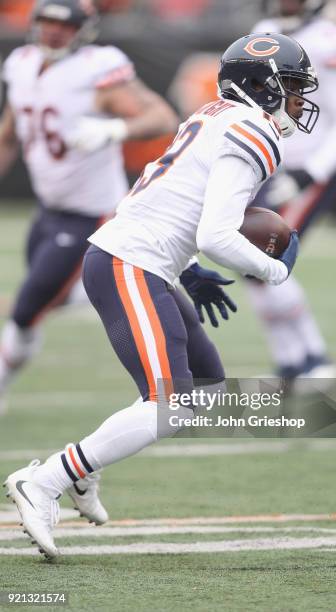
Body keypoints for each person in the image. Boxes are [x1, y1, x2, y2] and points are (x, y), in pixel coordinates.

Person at [3, 31, 313, 559]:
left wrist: (187, 269)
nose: (298, 101)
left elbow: (173, 196)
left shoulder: (215, 114)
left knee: (209, 388)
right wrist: (271, 270)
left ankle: (82, 474)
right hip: (129, 263)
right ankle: (48, 479)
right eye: (290, 87)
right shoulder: (256, 131)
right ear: (262, 87)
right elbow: (218, 234)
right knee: (170, 404)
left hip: (144, 260)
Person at [0, 0, 179, 419]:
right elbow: (10, 129)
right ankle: (113, 284)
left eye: (64, 25)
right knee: (44, 301)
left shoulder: (98, 68)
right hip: (49, 210)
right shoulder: (23, 63)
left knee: (27, 308)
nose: (54, 32)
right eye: (46, 22)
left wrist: (116, 128)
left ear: (84, 29)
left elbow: (162, 116)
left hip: (92, 213)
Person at [246, 0, 336, 387]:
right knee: (251, 262)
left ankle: (313, 357)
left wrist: (312, 171)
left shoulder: (334, 40)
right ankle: (290, 362)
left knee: (265, 256)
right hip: (267, 164)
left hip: (311, 169)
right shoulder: (261, 31)